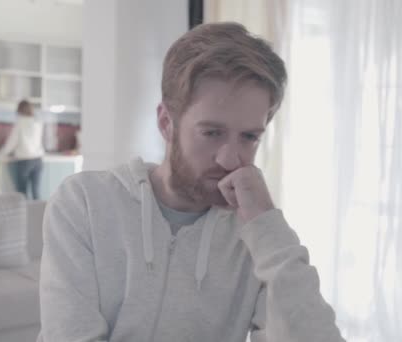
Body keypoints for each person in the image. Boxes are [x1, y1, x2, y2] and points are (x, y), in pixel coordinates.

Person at [37, 22, 346, 342]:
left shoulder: (256, 236)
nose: (230, 159)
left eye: (249, 137)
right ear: (166, 122)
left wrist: (268, 228)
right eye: (212, 133)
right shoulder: (84, 203)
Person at [0, 100, 45, 200]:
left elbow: (12, 142)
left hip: (25, 161)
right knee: (36, 191)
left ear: (20, 110)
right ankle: (40, 215)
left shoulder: (20, 122)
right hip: (38, 160)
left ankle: (24, 215)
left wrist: (1, 153)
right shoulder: (37, 121)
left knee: (22, 193)